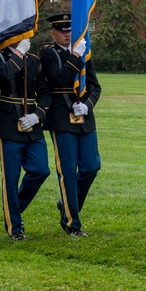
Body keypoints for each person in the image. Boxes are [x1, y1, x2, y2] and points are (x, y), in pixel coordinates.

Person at [40, 13, 102, 237]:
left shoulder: (84, 52)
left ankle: (66, 202)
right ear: (53, 33)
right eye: (62, 31)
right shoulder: (48, 53)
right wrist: (75, 55)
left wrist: (88, 105)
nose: (67, 34)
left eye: (70, 30)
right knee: (67, 170)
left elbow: (95, 86)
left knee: (91, 166)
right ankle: (71, 222)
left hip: (83, 118)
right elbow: (59, 79)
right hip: (61, 118)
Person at [0, 38, 51, 240]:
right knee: (11, 177)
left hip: (31, 122)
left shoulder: (34, 60)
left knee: (41, 170)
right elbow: (2, 77)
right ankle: (14, 226)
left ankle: (14, 208)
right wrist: (18, 54)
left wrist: (37, 115)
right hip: (7, 122)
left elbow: (45, 94)